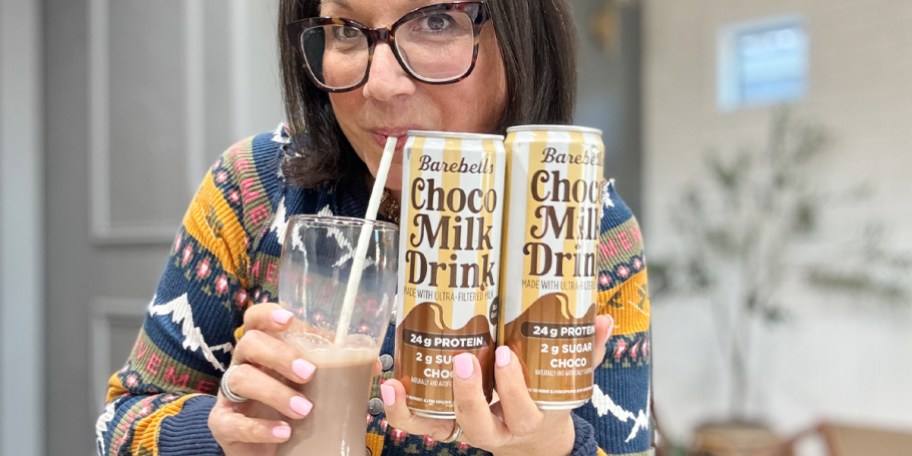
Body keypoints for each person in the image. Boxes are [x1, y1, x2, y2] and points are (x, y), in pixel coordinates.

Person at [95, 0, 653, 455]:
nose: (380, 85)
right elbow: (119, 425)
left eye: (437, 21)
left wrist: (553, 447)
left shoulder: (593, 235)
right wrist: (222, 435)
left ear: (521, 31)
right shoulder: (258, 186)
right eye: (345, 29)